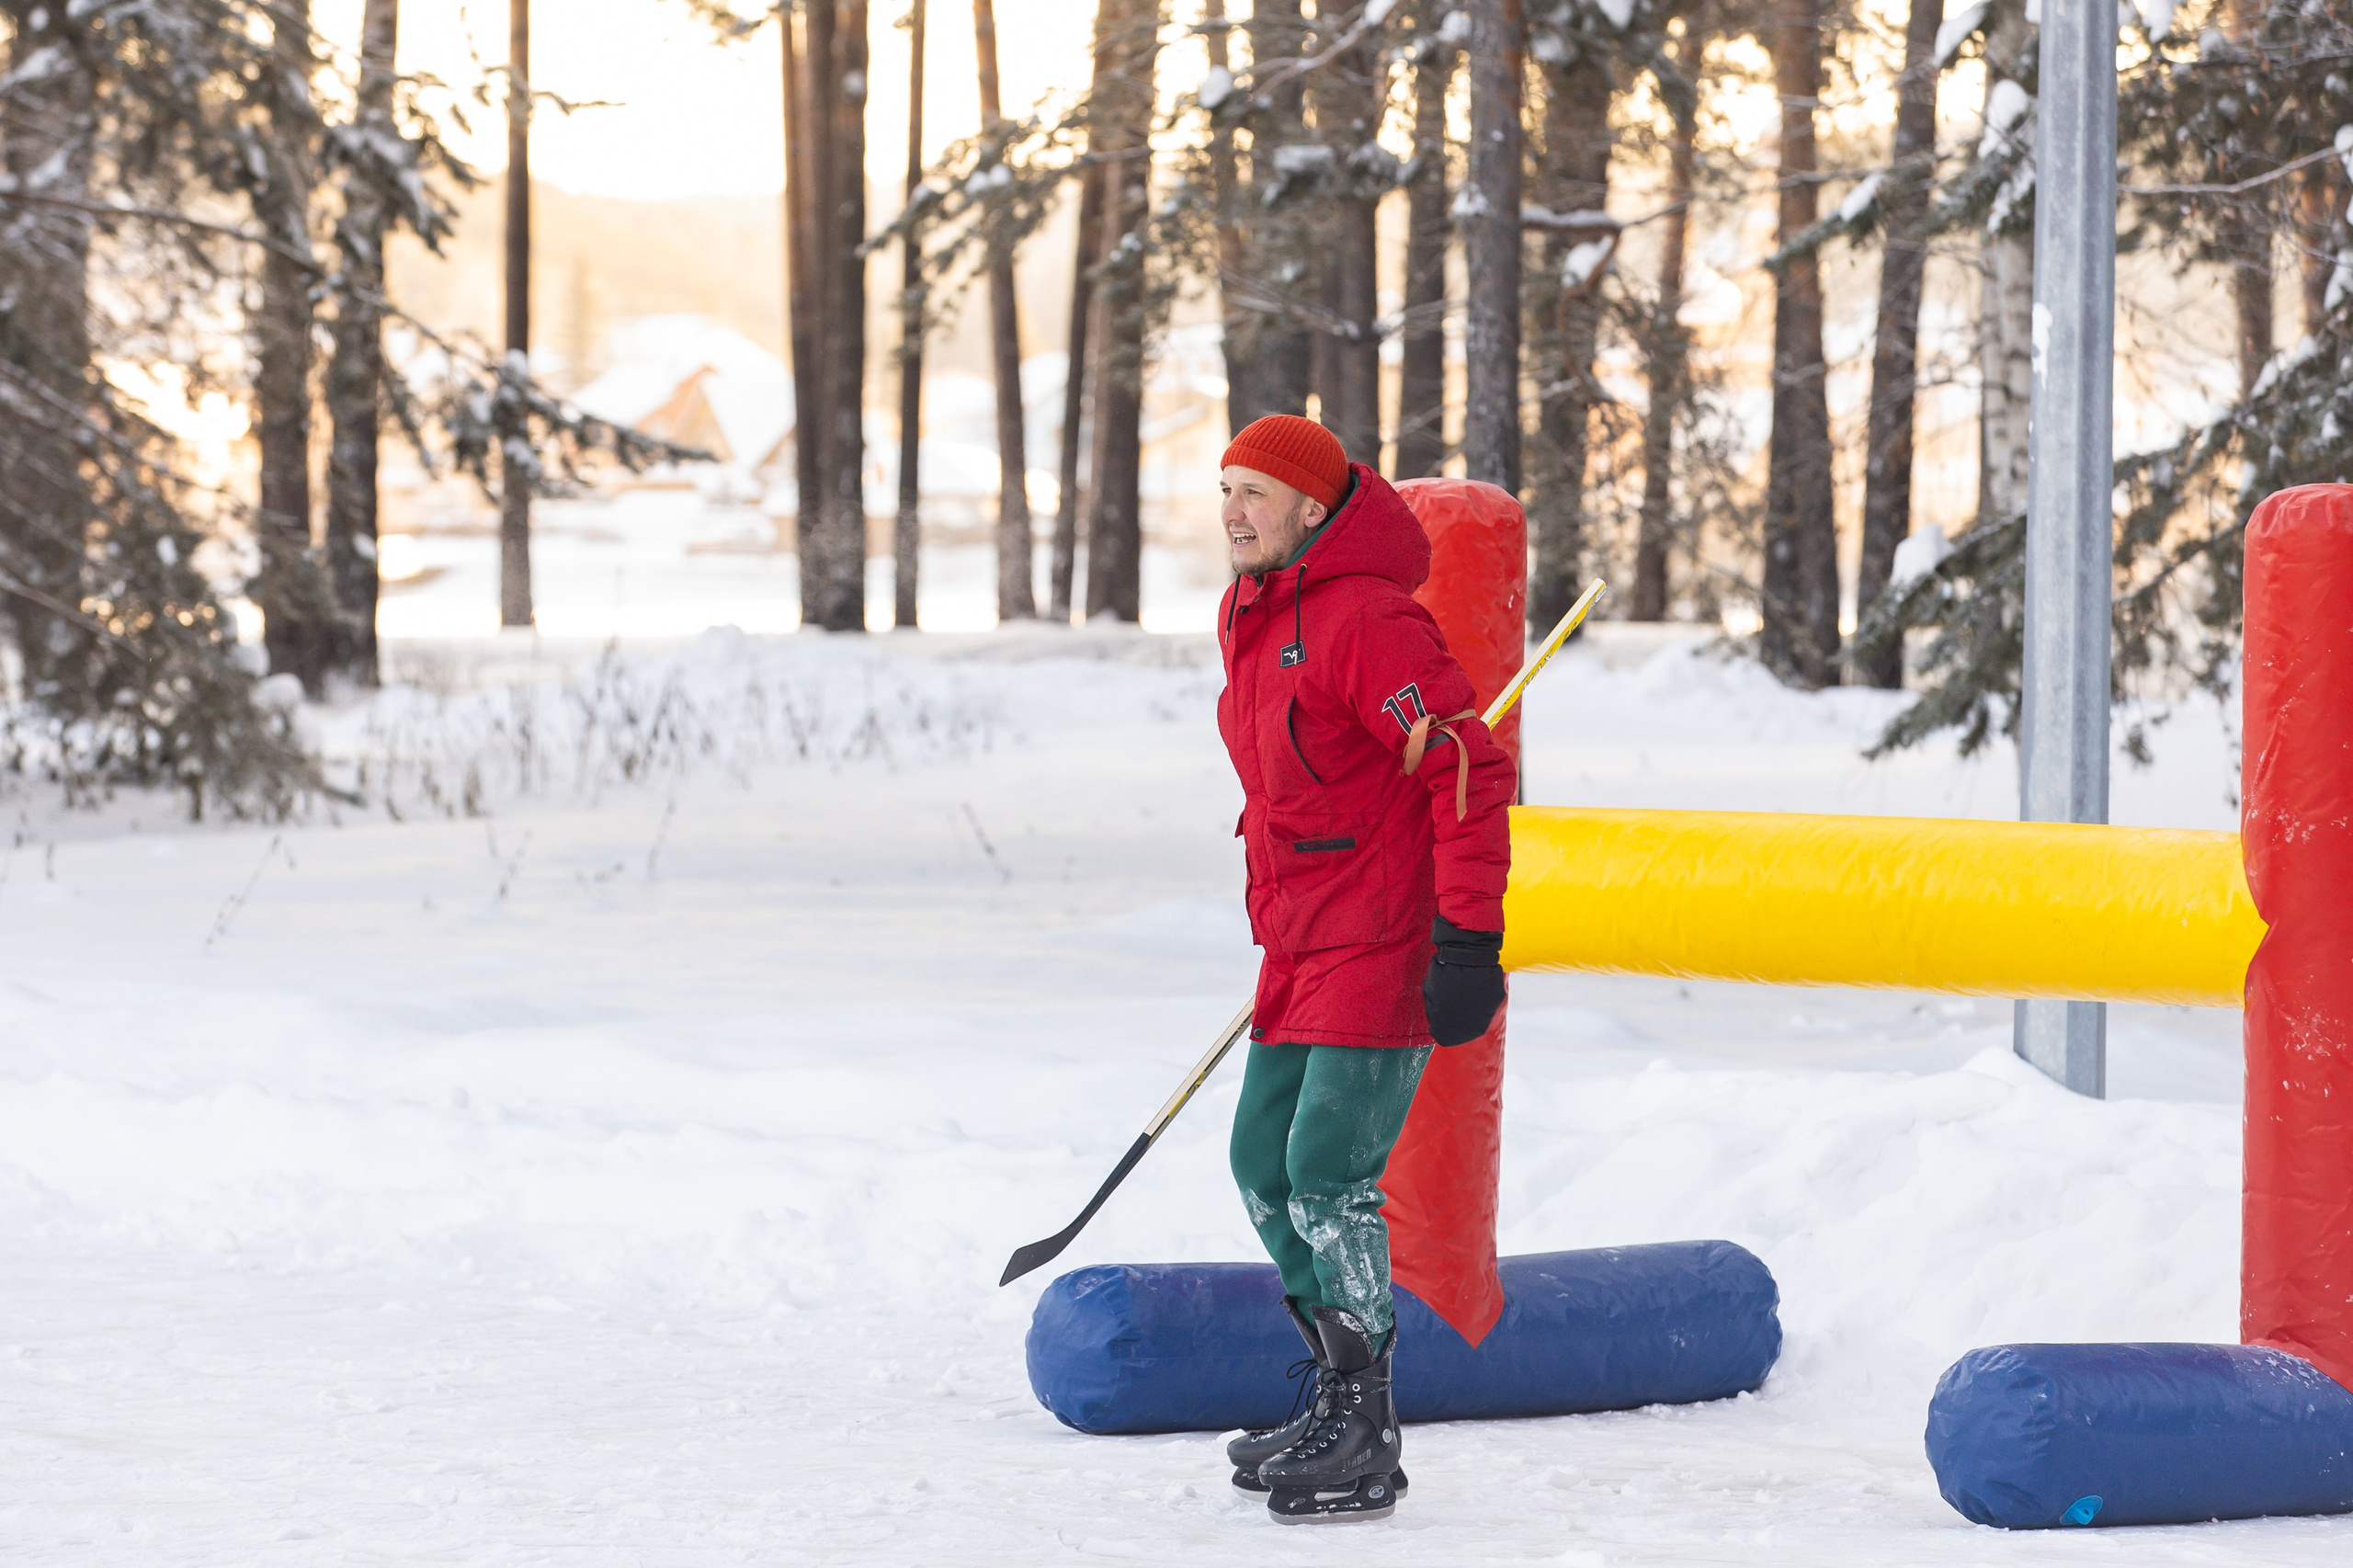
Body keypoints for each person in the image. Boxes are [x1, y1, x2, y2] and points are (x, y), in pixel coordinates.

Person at [1211, 415, 1514, 1523]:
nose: (1235, 511)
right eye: (1225, 489)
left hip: (1384, 937)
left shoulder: (1369, 621)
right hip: (1301, 939)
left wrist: (1466, 937)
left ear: (1310, 508)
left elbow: (1465, 766)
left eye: (1256, 492)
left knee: (1327, 1169)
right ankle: (1336, 1386)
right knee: (1259, 1161)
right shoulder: (1251, 614)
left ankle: (1369, 1430)